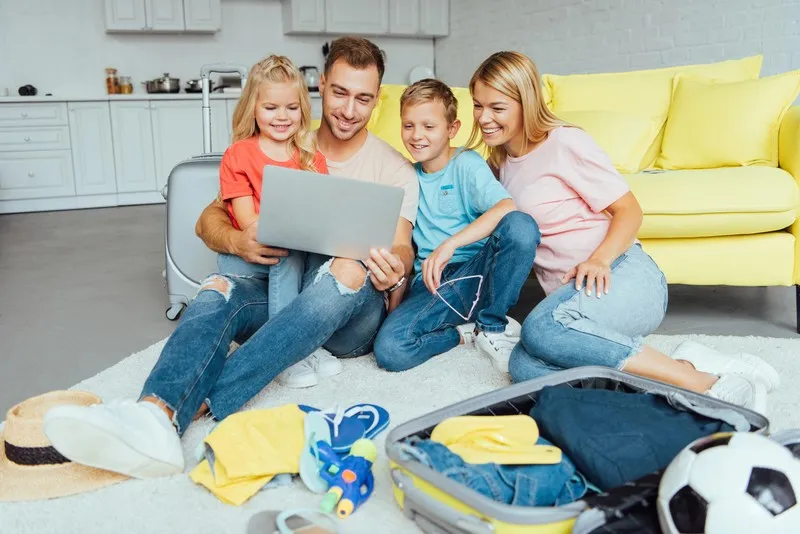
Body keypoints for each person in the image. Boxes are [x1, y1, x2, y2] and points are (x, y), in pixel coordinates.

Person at [42, 37, 419, 480]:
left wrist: (396, 267)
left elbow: (401, 246)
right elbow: (208, 221)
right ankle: (154, 417)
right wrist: (240, 242)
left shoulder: (393, 168)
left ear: (378, 100)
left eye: (364, 98)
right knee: (217, 288)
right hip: (280, 294)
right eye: (339, 93)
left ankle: (204, 400)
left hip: (346, 317)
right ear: (319, 87)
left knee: (348, 266)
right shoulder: (283, 141)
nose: (349, 110)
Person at [466, 51, 779, 412]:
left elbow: (629, 210)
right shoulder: (500, 163)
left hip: (623, 276)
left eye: (497, 107)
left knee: (538, 331)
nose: (484, 118)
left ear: (527, 102)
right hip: (573, 302)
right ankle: (681, 367)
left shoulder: (564, 143)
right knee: (523, 365)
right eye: (477, 105)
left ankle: (705, 385)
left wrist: (599, 259)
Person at [373, 79, 538, 373]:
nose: (416, 136)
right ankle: (463, 333)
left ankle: (492, 326)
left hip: (476, 271)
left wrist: (450, 244)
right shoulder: (405, 176)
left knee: (520, 226)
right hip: (435, 286)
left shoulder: (466, 163)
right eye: (408, 126)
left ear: (452, 129)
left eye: (428, 126)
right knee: (391, 349)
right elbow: (401, 240)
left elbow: (506, 208)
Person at [216, 54, 340, 387]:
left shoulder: (312, 158)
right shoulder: (238, 155)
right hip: (249, 258)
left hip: (295, 257)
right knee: (287, 247)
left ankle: (305, 342)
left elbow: (321, 220)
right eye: (271, 108)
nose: (282, 117)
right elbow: (248, 223)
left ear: (302, 109)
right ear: (253, 109)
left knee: (317, 253)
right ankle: (285, 352)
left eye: (291, 107)